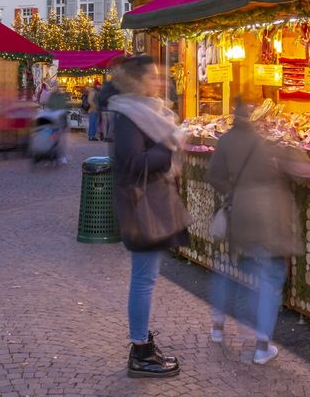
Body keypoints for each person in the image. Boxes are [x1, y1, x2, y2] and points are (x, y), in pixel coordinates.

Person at [206, 100, 307, 365]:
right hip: (269, 217)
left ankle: (219, 324)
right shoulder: (271, 142)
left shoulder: (226, 140)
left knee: (231, 267)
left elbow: (213, 174)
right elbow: (301, 170)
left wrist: (231, 193)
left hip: (240, 214)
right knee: (271, 275)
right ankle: (261, 343)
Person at [109, 55, 188, 379]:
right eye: (153, 77)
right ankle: (140, 350)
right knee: (144, 280)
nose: (159, 81)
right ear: (137, 81)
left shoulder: (145, 111)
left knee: (146, 278)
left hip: (145, 203)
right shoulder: (130, 115)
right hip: (141, 206)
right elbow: (131, 161)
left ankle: (142, 342)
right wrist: (168, 150)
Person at [97, 78, 117, 142]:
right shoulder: (112, 92)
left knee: (104, 124)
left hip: (103, 109)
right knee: (111, 123)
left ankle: (105, 137)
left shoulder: (101, 92)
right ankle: (109, 137)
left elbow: (99, 100)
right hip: (110, 109)